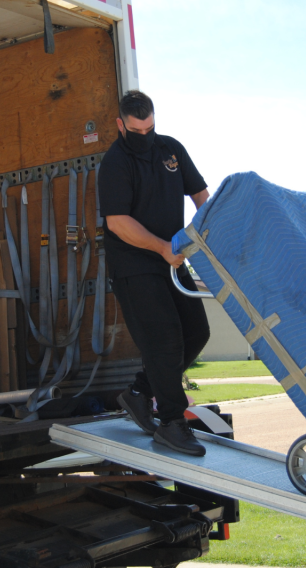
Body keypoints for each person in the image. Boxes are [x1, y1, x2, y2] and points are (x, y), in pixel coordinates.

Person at [98, 90, 211, 456]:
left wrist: (212, 229)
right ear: (120, 125)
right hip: (135, 265)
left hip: (172, 259)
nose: (145, 137)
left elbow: (200, 195)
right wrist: (163, 247)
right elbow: (117, 222)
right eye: (136, 130)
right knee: (164, 341)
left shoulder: (170, 150)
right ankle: (172, 424)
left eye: (150, 128)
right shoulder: (115, 163)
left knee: (197, 332)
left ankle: (138, 393)